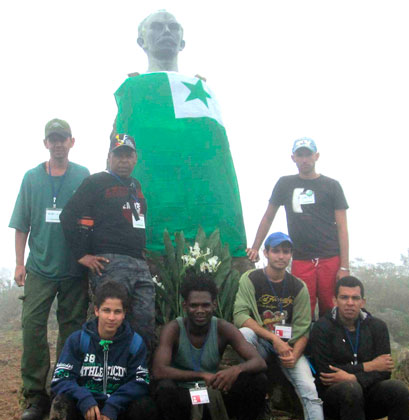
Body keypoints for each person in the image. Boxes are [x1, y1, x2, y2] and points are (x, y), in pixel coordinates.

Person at [113, 10, 249, 266]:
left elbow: (217, 166)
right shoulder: (134, 91)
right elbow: (118, 157)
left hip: (207, 232)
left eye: (173, 27)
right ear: (141, 41)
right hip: (149, 231)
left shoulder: (202, 92)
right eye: (157, 26)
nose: (166, 31)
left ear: (182, 42)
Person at [234, 232, 338, 420]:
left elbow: (304, 328)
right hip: (263, 342)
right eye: (276, 250)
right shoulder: (251, 279)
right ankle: (262, 400)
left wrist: (296, 352)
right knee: (245, 334)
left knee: (309, 389)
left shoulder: (298, 287)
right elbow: (240, 316)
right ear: (267, 253)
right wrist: (274, 339)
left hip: (290, 349)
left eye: (286, 251)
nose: (281, 256)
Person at [9, 118, 90, 420]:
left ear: (72, 141)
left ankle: (63, 388)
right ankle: (35, 394)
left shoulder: (82, 175)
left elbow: (90, 218)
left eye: (62, 138)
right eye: (52, 139)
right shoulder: (31, 178)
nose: (57, 143)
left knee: (71, 331)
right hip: (40, 268)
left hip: (73, 269)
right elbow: (21, 225)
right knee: (32, 326)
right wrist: (19, 262)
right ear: (45, 143)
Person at [152, 273, 267, 420]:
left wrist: (236, 370)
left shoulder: (223, 328)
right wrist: (200, 375)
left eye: (205, 305)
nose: (200, 311)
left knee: (258, 380)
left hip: (211, 398)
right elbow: (159, 370)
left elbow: (258, 361)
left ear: (214, 304)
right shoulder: (174, 329)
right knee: (164, 389)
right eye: (194, 305)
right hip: (184, 403)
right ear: (185, 305)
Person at [49, 280, 157, 420]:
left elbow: (141, 381)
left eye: (117, 312)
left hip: (117, 416)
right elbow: (61, 378)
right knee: (60, 405)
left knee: (146, 408)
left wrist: (114, 404)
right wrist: (84, 398)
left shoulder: (134, 343)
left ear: (124, 313)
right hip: (86, 413)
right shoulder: (77, 340)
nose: (111, 317)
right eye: (106, 310)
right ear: (96, 310)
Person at [309, 276, 409, 420]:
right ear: (335, 300)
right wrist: (368, 366)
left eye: (355, 298)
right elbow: (326, 372)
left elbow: (385, 371)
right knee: (350, 389)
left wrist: (354, 375)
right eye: (344, 297)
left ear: (363, 301)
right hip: (335, 399)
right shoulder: (322, 328)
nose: (350, 303)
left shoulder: (377, 327)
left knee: (399, 391)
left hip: (368, 395)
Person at [60, 133, 155, 348]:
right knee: (111, 324)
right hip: (110, 263)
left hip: (139, 264)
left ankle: (139, 375)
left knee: (145, 323)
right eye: (118, 155)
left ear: (135, 158)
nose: (123, 160)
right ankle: (106, 374)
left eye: (128, 155)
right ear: (109, 157)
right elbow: (67, 216)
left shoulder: (136, 185)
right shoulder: (95, 181)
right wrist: (81, 255)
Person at [247, 137, 350, 317]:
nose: (304, 159)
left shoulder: (331, 185)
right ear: (293, 157)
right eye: (300, 155)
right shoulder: (285, 183)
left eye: (308, 155)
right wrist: (255, 247)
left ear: (316, 156)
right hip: (301, 257)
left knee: (331, 308)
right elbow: (268, 216)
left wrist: (344, 266)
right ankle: (303, 345)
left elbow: (342, 227)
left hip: (329, 257)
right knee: (302, 309)